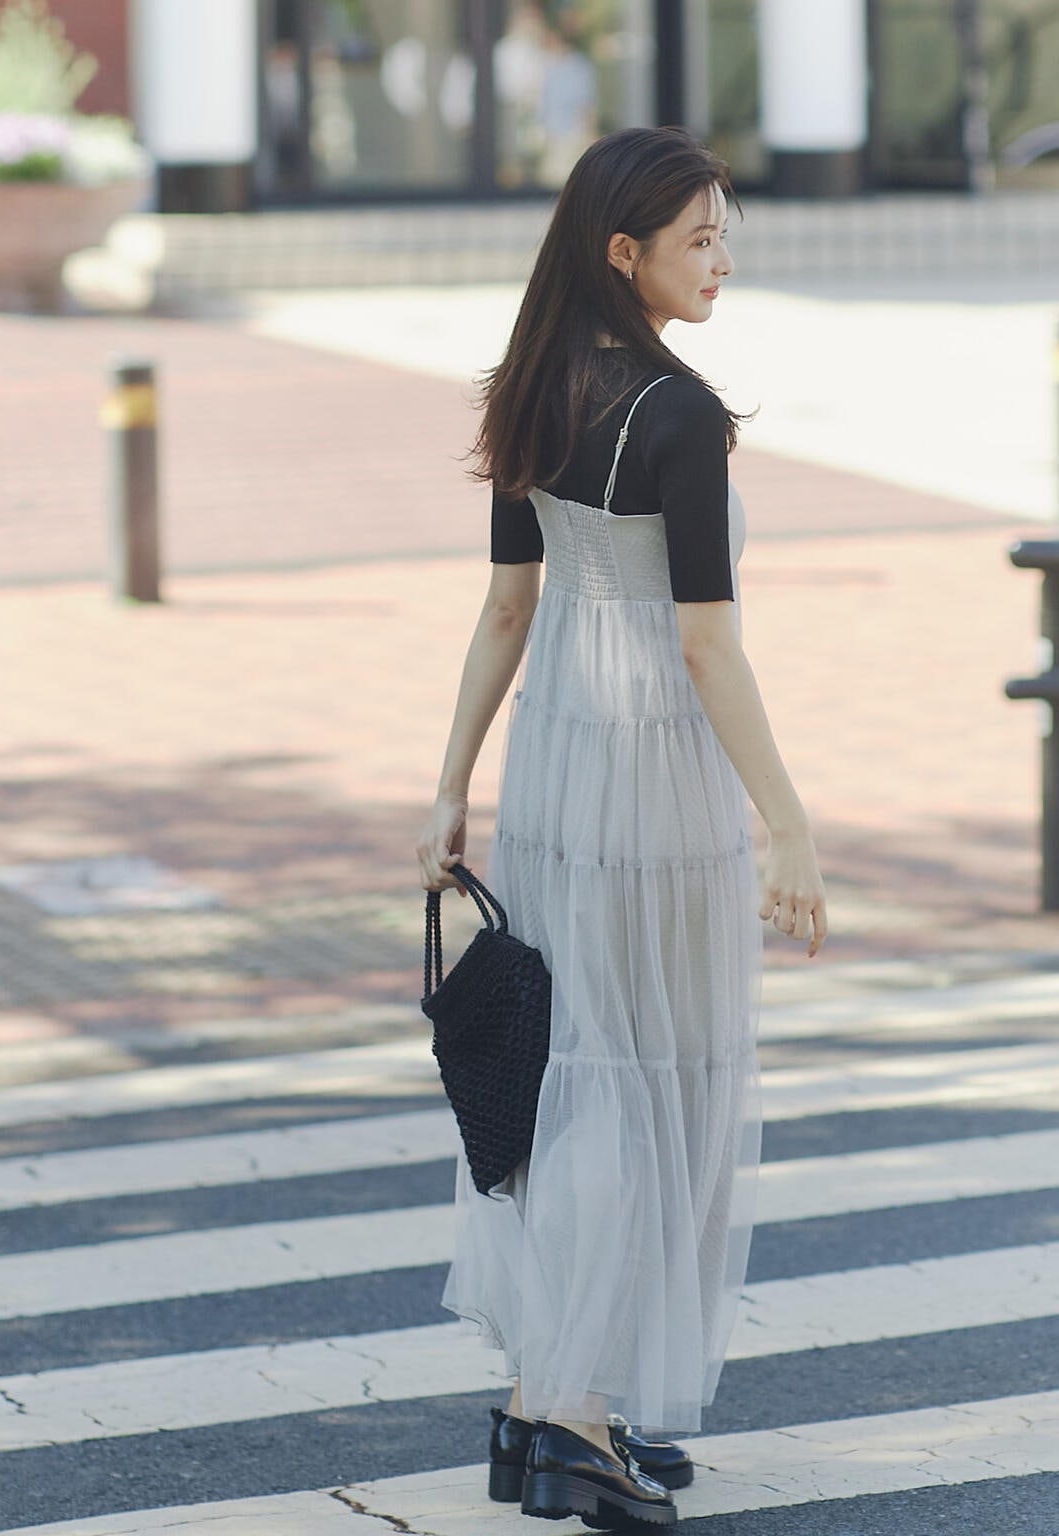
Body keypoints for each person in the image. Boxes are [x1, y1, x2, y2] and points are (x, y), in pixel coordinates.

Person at [415, 126, 827, 1529]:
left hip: (558, 761)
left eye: (725, 235)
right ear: (622, 252)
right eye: (700, 238)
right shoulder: (681, 414)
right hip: (655, 768)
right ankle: (577, 1414)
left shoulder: (532, 383)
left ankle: (546, 1401)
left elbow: (507, 608)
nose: (723, 260)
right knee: (650, 1072)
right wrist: (787, 825)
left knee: (576, 1063)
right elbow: (706, 643)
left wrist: (451, 784)